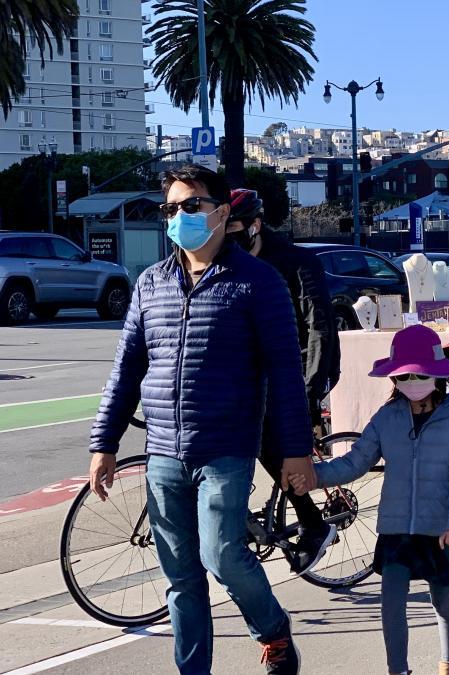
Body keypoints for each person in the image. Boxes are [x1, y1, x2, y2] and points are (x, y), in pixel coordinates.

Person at [89, 165, 312, 673]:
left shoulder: (259, 282)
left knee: (222, 556)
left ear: (222, 212)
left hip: (226, 449)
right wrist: (104, 442)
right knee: (181, 580)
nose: (179, 217)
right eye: (170, 209)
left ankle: (274, 631)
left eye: (191, 206)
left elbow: (284, 371)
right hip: (164, 452)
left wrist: (296, 450)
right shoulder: (150, 284)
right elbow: (126, 370)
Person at [289, 325, 449, 675]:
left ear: (436, 375)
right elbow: (356, 461)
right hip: (396, 527)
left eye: (418, 374)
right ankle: (398, 670)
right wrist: (316, 476)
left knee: (443, 598)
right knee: (391, 602)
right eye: (403, 376)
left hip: (441, 526)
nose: (411, 381)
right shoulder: (387, 418)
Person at [225, 188, 340, 574]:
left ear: (255, 226)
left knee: (270, 443)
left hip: (302, 369)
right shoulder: (228, 265)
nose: (226, 238)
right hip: (253, 373)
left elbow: (319, 329)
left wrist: (307, 393)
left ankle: (313, 523)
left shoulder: (296, 262)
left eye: (234, 228)